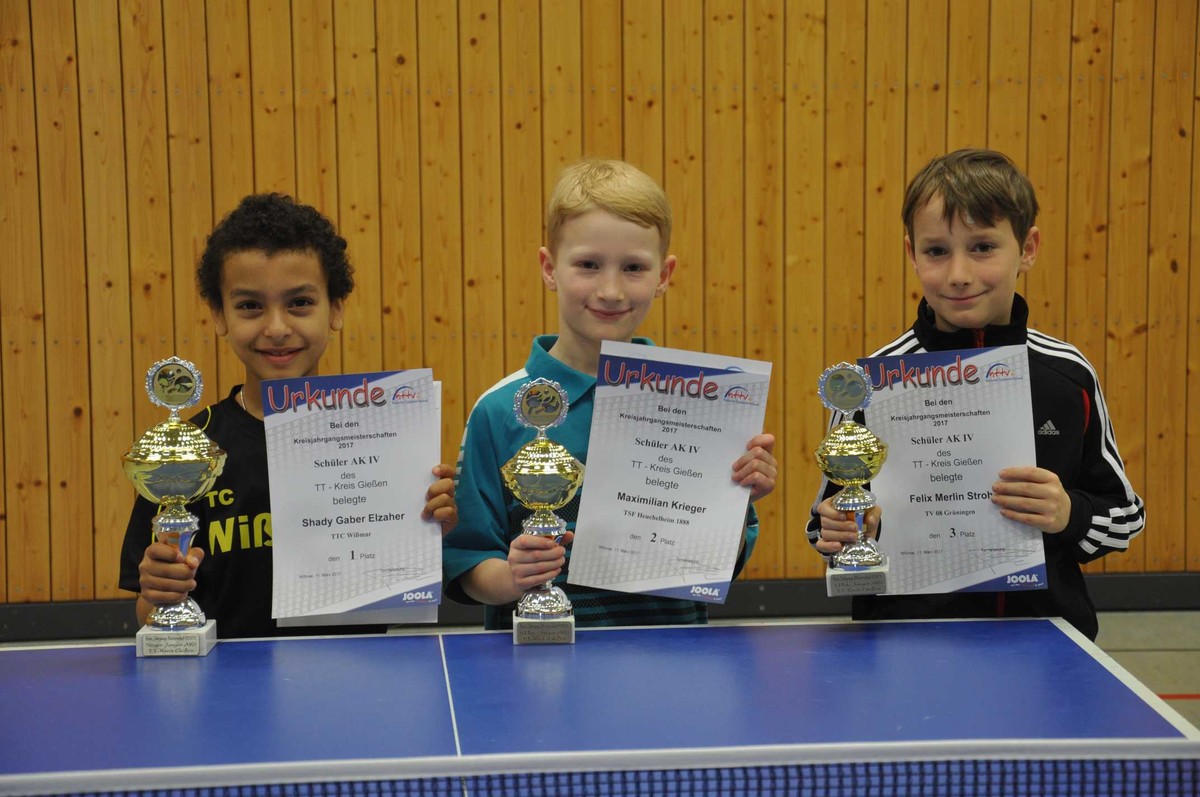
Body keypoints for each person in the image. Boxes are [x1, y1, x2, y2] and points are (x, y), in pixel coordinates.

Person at [807, 148, 1145, 640]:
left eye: (983, 247)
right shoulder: (871, 385)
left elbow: (1126, 518)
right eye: (937, 251)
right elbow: (824, 528)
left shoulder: (1066, 375)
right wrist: (843, 531)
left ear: (1027, 248)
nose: (958, 274)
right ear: (912, 254)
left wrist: (1068, 514)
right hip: (905, 644)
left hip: (1043, 642)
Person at [443, 159, 778, 629]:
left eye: (634, 267)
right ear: (549, 268)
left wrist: (737, 500)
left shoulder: (704, 408)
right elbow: (468, 562)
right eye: (588, 265)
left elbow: (721, 565)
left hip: (673, 655)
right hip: (541, 663)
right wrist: (514, 578)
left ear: (664, 275)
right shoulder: (499, 410)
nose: (611, 290)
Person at [119, 193, 458, 638]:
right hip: (226, 677)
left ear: (336, 308)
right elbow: (147, 611)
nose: (276, 328)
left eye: (299, 302)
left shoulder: (383, 438)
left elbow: (400, 589)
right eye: (250, 306)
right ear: (219, 315)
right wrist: (160, 591)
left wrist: (427, 531)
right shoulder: (184, 454)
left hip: (354, 672)